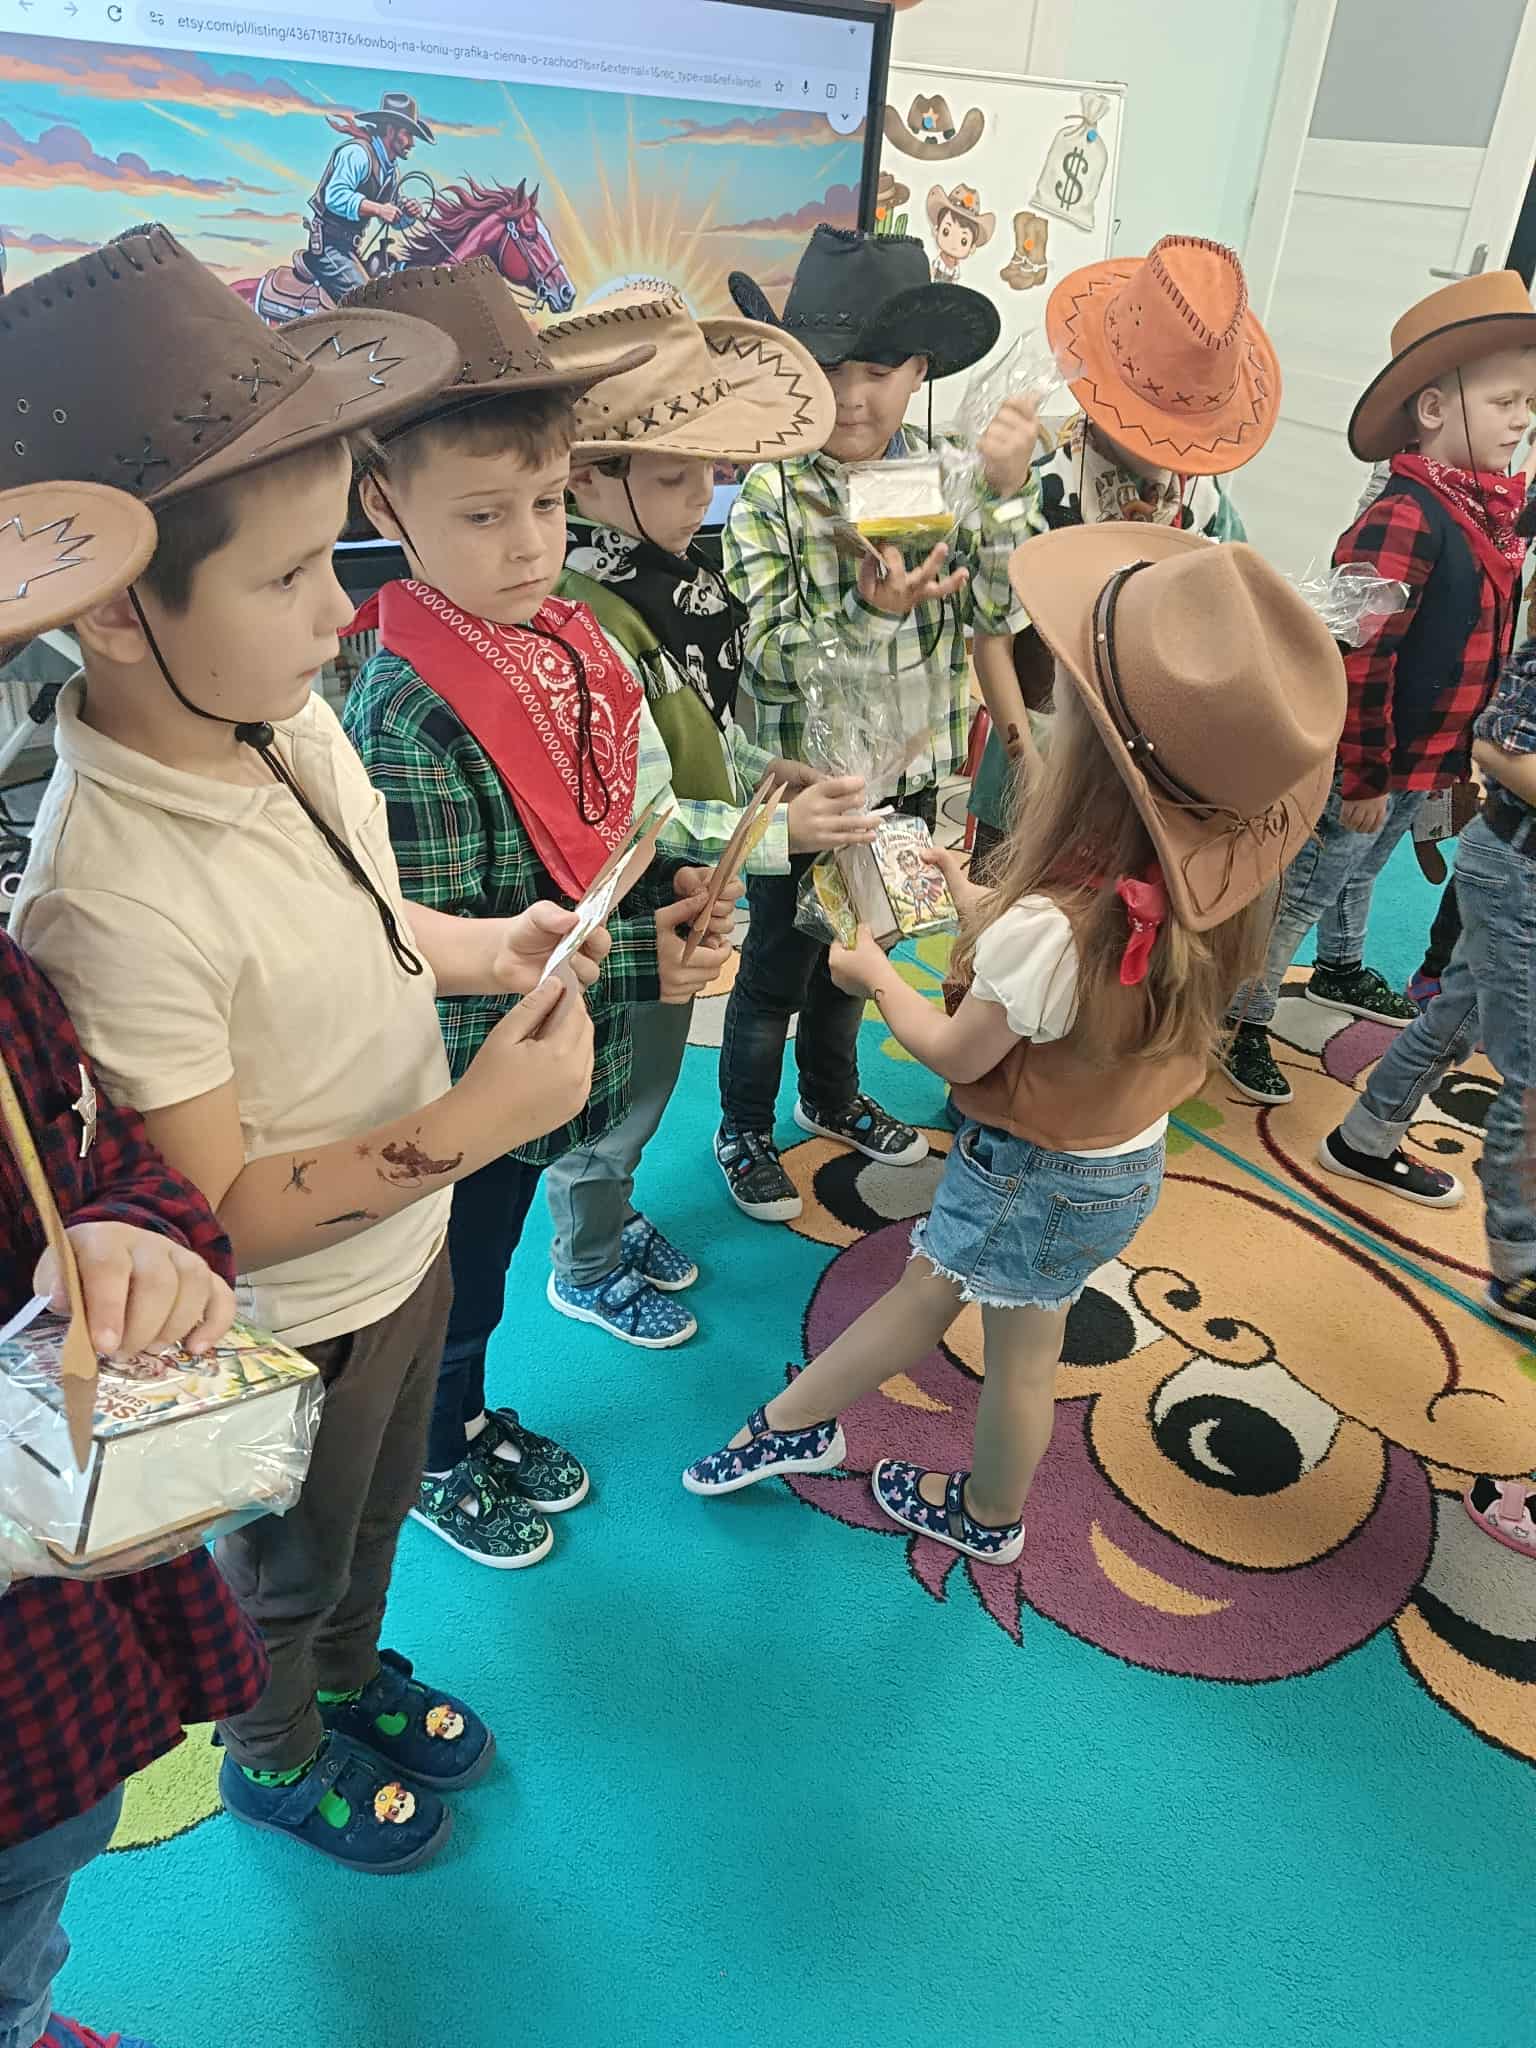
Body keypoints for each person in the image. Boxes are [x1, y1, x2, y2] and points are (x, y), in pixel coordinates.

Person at [6, 229, 606, 1874]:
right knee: (284, 1557)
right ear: (119, 614)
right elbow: (219, 1215)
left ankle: (347, 1672)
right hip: (293, 1314)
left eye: (330, 559)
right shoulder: (108, 896)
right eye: (285, 580)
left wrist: (482, 947)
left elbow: (361, 910)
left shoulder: (278, 712)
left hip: (402, 1250)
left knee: (373, 1517)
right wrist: (478, 1122)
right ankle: (275, 1750)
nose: (341, 615)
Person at [681, 525, 1346, 1563]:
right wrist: (975, 898)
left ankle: (805, 1429)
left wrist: (875, 977)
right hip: (1119, 1162)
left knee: (930, 1298)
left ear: (1093, 763)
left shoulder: (1049, 929)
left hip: (1030, 1171)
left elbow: (958, 1055)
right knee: (1027, 1343)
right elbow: (1082, 977)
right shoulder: (1198, 892)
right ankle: (982, 1507)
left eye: (1063, 706)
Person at [342, 260, 736, 1556]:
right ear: (384, 503)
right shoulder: (406, 707)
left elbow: (605, 824)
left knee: (494, 1269)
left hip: (557, 1033)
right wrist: (628, 968)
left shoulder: (566, 636)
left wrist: (666, 899)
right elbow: (445, 958)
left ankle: (461, 1418)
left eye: (548, 502)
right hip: (475, 1079)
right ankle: (430, 1453)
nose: (526, 543)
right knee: (450, 1288)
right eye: (481, 514)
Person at [0, 482, 266, 2048]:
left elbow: (108, 1157)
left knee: (39, 1890)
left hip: (57, 1634)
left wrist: (131, 1231)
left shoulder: (4, 988)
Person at [535, 288, 882, 1346]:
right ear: (587, 477)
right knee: (606, 1093)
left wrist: (765, 775)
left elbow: (688, 732)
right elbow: (625, 815)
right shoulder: (582, 616)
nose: (704, 498)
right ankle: (582, 1264)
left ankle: (611, 1210)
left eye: (710, 472)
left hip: (679, 897)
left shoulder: (660, 586)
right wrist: (779, 834)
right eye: (673, 475)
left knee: (644, 1080)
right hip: (618, 910)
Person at [715, 224, 1038, 1225]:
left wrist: (1005, 496)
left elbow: (997, 610)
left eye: (877, 369)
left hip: (904, 775)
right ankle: (743, 1126)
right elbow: (763, 648)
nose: (851, 396)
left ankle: (831, 1093)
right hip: (803, 788)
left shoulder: (941, 474)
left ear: (919, 370)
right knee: (775, 963)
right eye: (828, 369)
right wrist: (869, 612)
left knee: (858, 949)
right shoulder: (770, 489)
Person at [1219, 270, 1536, 1107]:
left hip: (1423, 757)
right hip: (1371, 759)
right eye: (1505, 402)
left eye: (1529, 404)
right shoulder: (1404, 515)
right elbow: (1359, 661)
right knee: (1302, 889)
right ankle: (1240, 1019)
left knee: (1363, 870)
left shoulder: (1487, 511)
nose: (1522, 420)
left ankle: (1340, 965)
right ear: (1433, 409)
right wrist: (1360, 776)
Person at [967, 235, 1274, 877]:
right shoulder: (1043, 492)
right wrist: (1030, 767)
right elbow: (993, 641)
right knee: (1000, 916)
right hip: (1036, 759)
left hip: (1142, 779)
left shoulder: (1204, 504)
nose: (1171, 453)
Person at [299, 92, 433, 303]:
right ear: (390, 130)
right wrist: (379, 209)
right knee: (368, 302)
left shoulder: (391, 171)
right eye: (408, 134)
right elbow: (335, 196)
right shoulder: (357, 153)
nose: (412, 143)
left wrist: (407, 213)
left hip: (350, 250)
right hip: (328, 249)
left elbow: (392, 217)